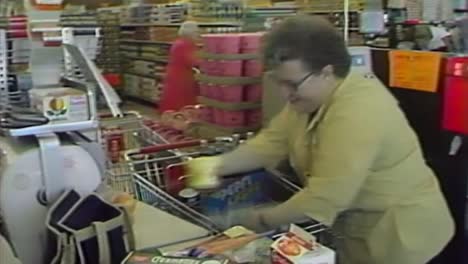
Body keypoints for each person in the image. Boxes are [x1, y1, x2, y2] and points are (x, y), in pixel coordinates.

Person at [189, 16, 454, 264]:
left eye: (292, 84)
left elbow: (325, 196)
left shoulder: (359, 111)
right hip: (355, 231)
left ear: (327, 71)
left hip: (399, 236)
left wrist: (255, 219)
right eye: (278, 82)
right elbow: (271, 142)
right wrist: (215, 165)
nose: (284, 94)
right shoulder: (310, 96)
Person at [159, 21, 200, 113]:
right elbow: (193, 61)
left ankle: (172, 117)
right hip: (182, 77)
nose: (198, 34)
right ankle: (180, 119)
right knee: (181, 101)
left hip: (175, 74)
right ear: (190, 33)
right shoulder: (185, 44)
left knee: (173, 98)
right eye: (196, 32)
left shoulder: (179, 42)